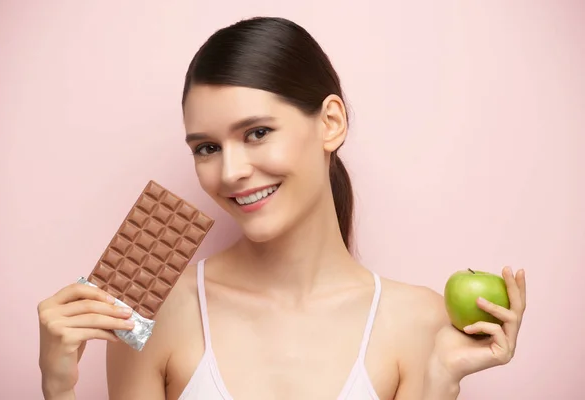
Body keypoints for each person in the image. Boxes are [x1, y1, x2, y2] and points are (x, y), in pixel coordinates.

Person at [37, 16, 527, 400]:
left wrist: (442, 383)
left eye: (257, 133)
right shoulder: (150, 312)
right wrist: (59, 389)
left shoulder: (421, 320)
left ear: (330, 123)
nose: (230, 173)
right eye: (206, 148)